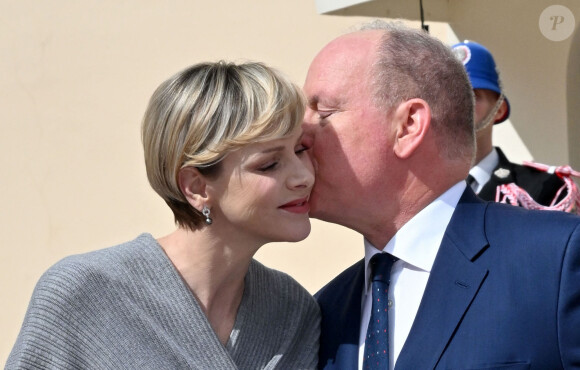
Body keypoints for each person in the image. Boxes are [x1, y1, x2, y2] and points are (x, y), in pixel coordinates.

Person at [302, 20, 580, 369]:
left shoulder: (556, 263)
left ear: (407, 126)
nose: (299, 137)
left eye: (323, 112)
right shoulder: (325, 310)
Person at [7, 61, 320, 369]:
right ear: (196, 186)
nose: (303, 176)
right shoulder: (84, 293)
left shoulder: (292, 312)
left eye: (301, 149)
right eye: (269, 164)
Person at [451, 40, 567, 206]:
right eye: (450, 96)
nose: (458, 105)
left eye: (472, 95)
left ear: (499, 109)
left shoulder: (542, 188)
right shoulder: (418, 187)